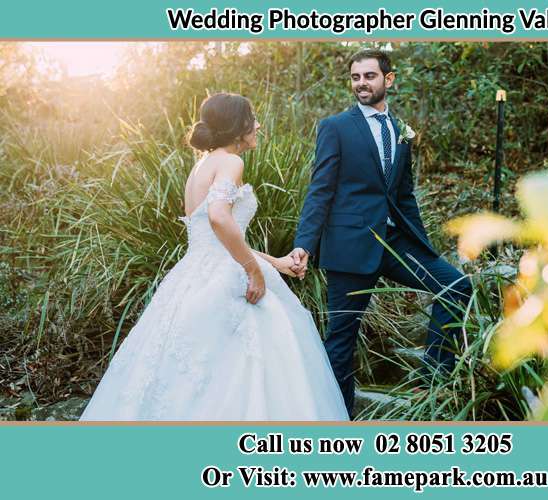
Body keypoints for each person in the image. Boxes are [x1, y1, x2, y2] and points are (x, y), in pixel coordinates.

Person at [80, 93, 348, 421]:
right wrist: (254, 271)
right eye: (252, 119)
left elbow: (212, 239)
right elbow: (219, 218)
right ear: (237, 127)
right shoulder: (231, 162)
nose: (258, 125)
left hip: (192, 274)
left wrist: (274, 263)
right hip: (225, 277)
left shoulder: (201, 166)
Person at [291, 50, 473, 417]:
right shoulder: (335, 127)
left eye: (369, 76)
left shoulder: (400, 131)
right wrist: (304, 245)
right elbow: (320, 190)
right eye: (356, 77)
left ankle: (432, 383)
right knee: (342, 340)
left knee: (456, 287)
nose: (361, 83)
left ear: (388, 80)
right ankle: (337, 419)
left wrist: (425, 248)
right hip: (349, 247)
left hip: (395, 243)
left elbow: (403, 197)